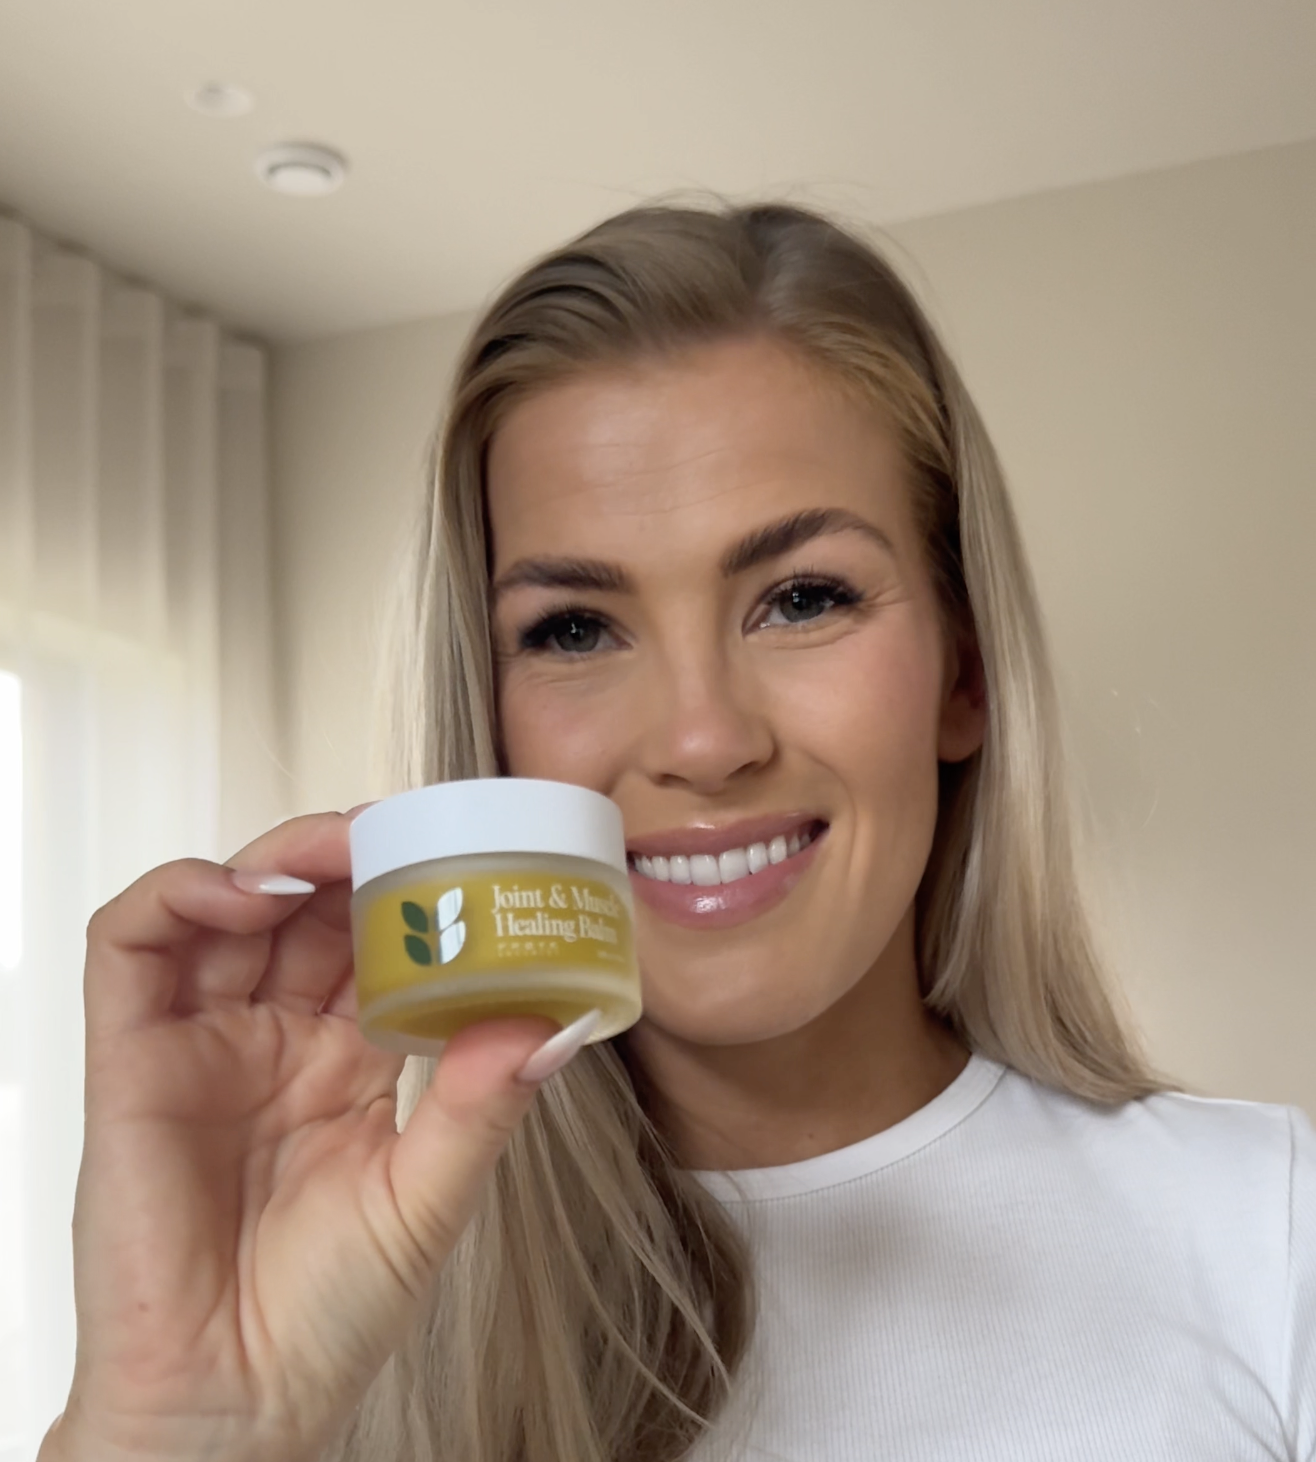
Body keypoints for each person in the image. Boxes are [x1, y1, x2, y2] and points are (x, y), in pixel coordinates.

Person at [39, 202, 1314, 1462]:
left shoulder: (1271, 1230)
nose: (703, 739)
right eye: (575, 629)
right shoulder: (345, 1318)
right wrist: (175, 1433)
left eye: (800, 599)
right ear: (489, 720)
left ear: (962, 673)